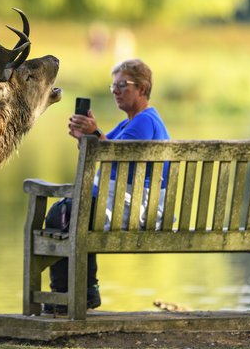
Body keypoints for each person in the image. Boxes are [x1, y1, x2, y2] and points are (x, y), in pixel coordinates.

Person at [43, 58, 171, 314]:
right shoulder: (130, 123)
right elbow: (101, 149)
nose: (115, 91)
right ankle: (80, 292)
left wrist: (96, 133)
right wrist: (87, 137)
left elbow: (116, 155)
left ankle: (71, 293)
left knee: (64, 214)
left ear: (142, 89)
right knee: (66, 212)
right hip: (123, 203)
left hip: (135, 209)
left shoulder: (144, 122)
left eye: (123, 85)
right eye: (113, 86)